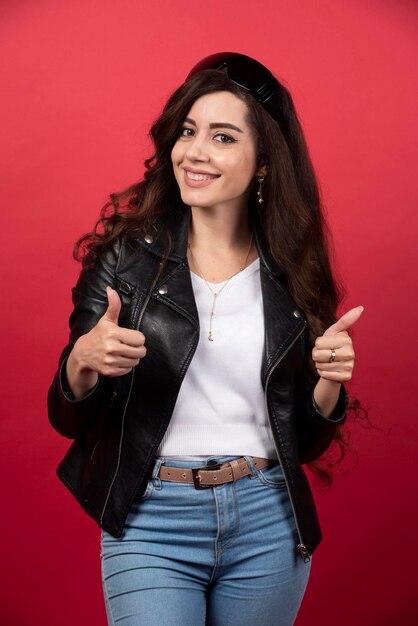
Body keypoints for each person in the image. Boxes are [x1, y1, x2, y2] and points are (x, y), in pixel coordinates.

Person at [48, 52, 363, 625]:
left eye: (222, 137)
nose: (195, 152)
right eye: (189, 132)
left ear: (263, 161)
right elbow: (67, 417)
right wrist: (82, 364)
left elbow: (308, 443)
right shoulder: (123, 257)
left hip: (268, 517)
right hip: (152, 516)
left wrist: (329, 385)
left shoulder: (295, 269)